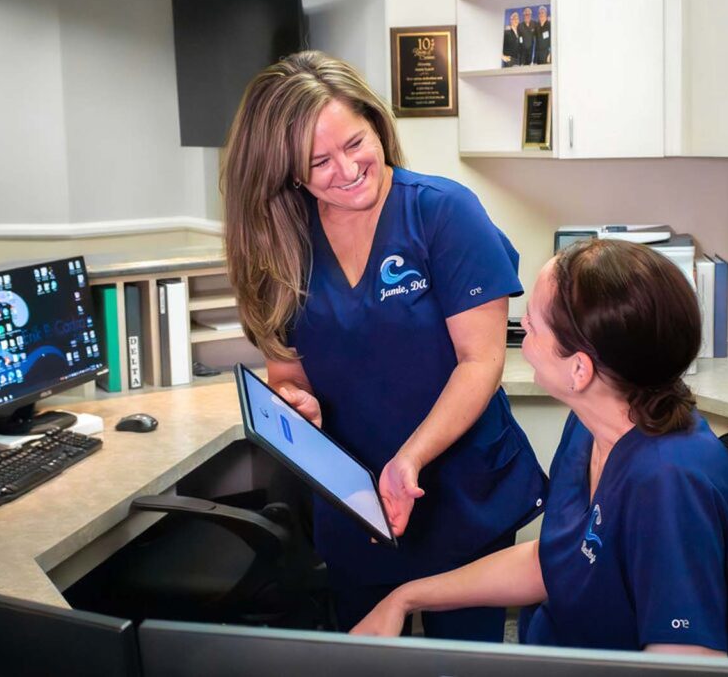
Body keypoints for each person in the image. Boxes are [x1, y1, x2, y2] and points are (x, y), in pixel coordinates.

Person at [221, 51, 548, 641]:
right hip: (357, 506)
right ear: (289, 173)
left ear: (376, 125)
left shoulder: (443, 213)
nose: (346, 170)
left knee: (463, 662)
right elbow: (287, 374)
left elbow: (482, 362)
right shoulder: (282, 245)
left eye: (355, 143)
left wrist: (410, 459)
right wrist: (298, 404)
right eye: (318, 162)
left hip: (460, 496)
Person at [352, 239, 728, 656]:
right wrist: (406, 598)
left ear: (579, 370)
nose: (522, 333)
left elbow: (684, 662)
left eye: (532, 325)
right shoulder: (591, 426)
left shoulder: (669, 484)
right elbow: (556, 561)